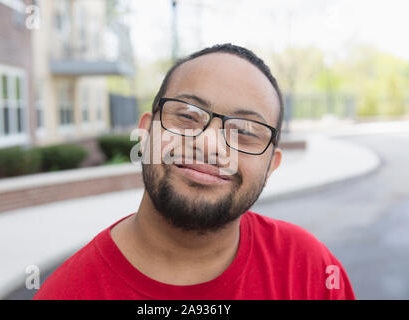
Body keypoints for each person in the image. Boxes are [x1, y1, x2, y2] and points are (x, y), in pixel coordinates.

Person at [34, 43, 355, 300]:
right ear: (145, 134)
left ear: (271, 165)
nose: (209, 144)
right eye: (187, 115)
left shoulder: (311, 271)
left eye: (245, 131)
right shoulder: (66, 293)